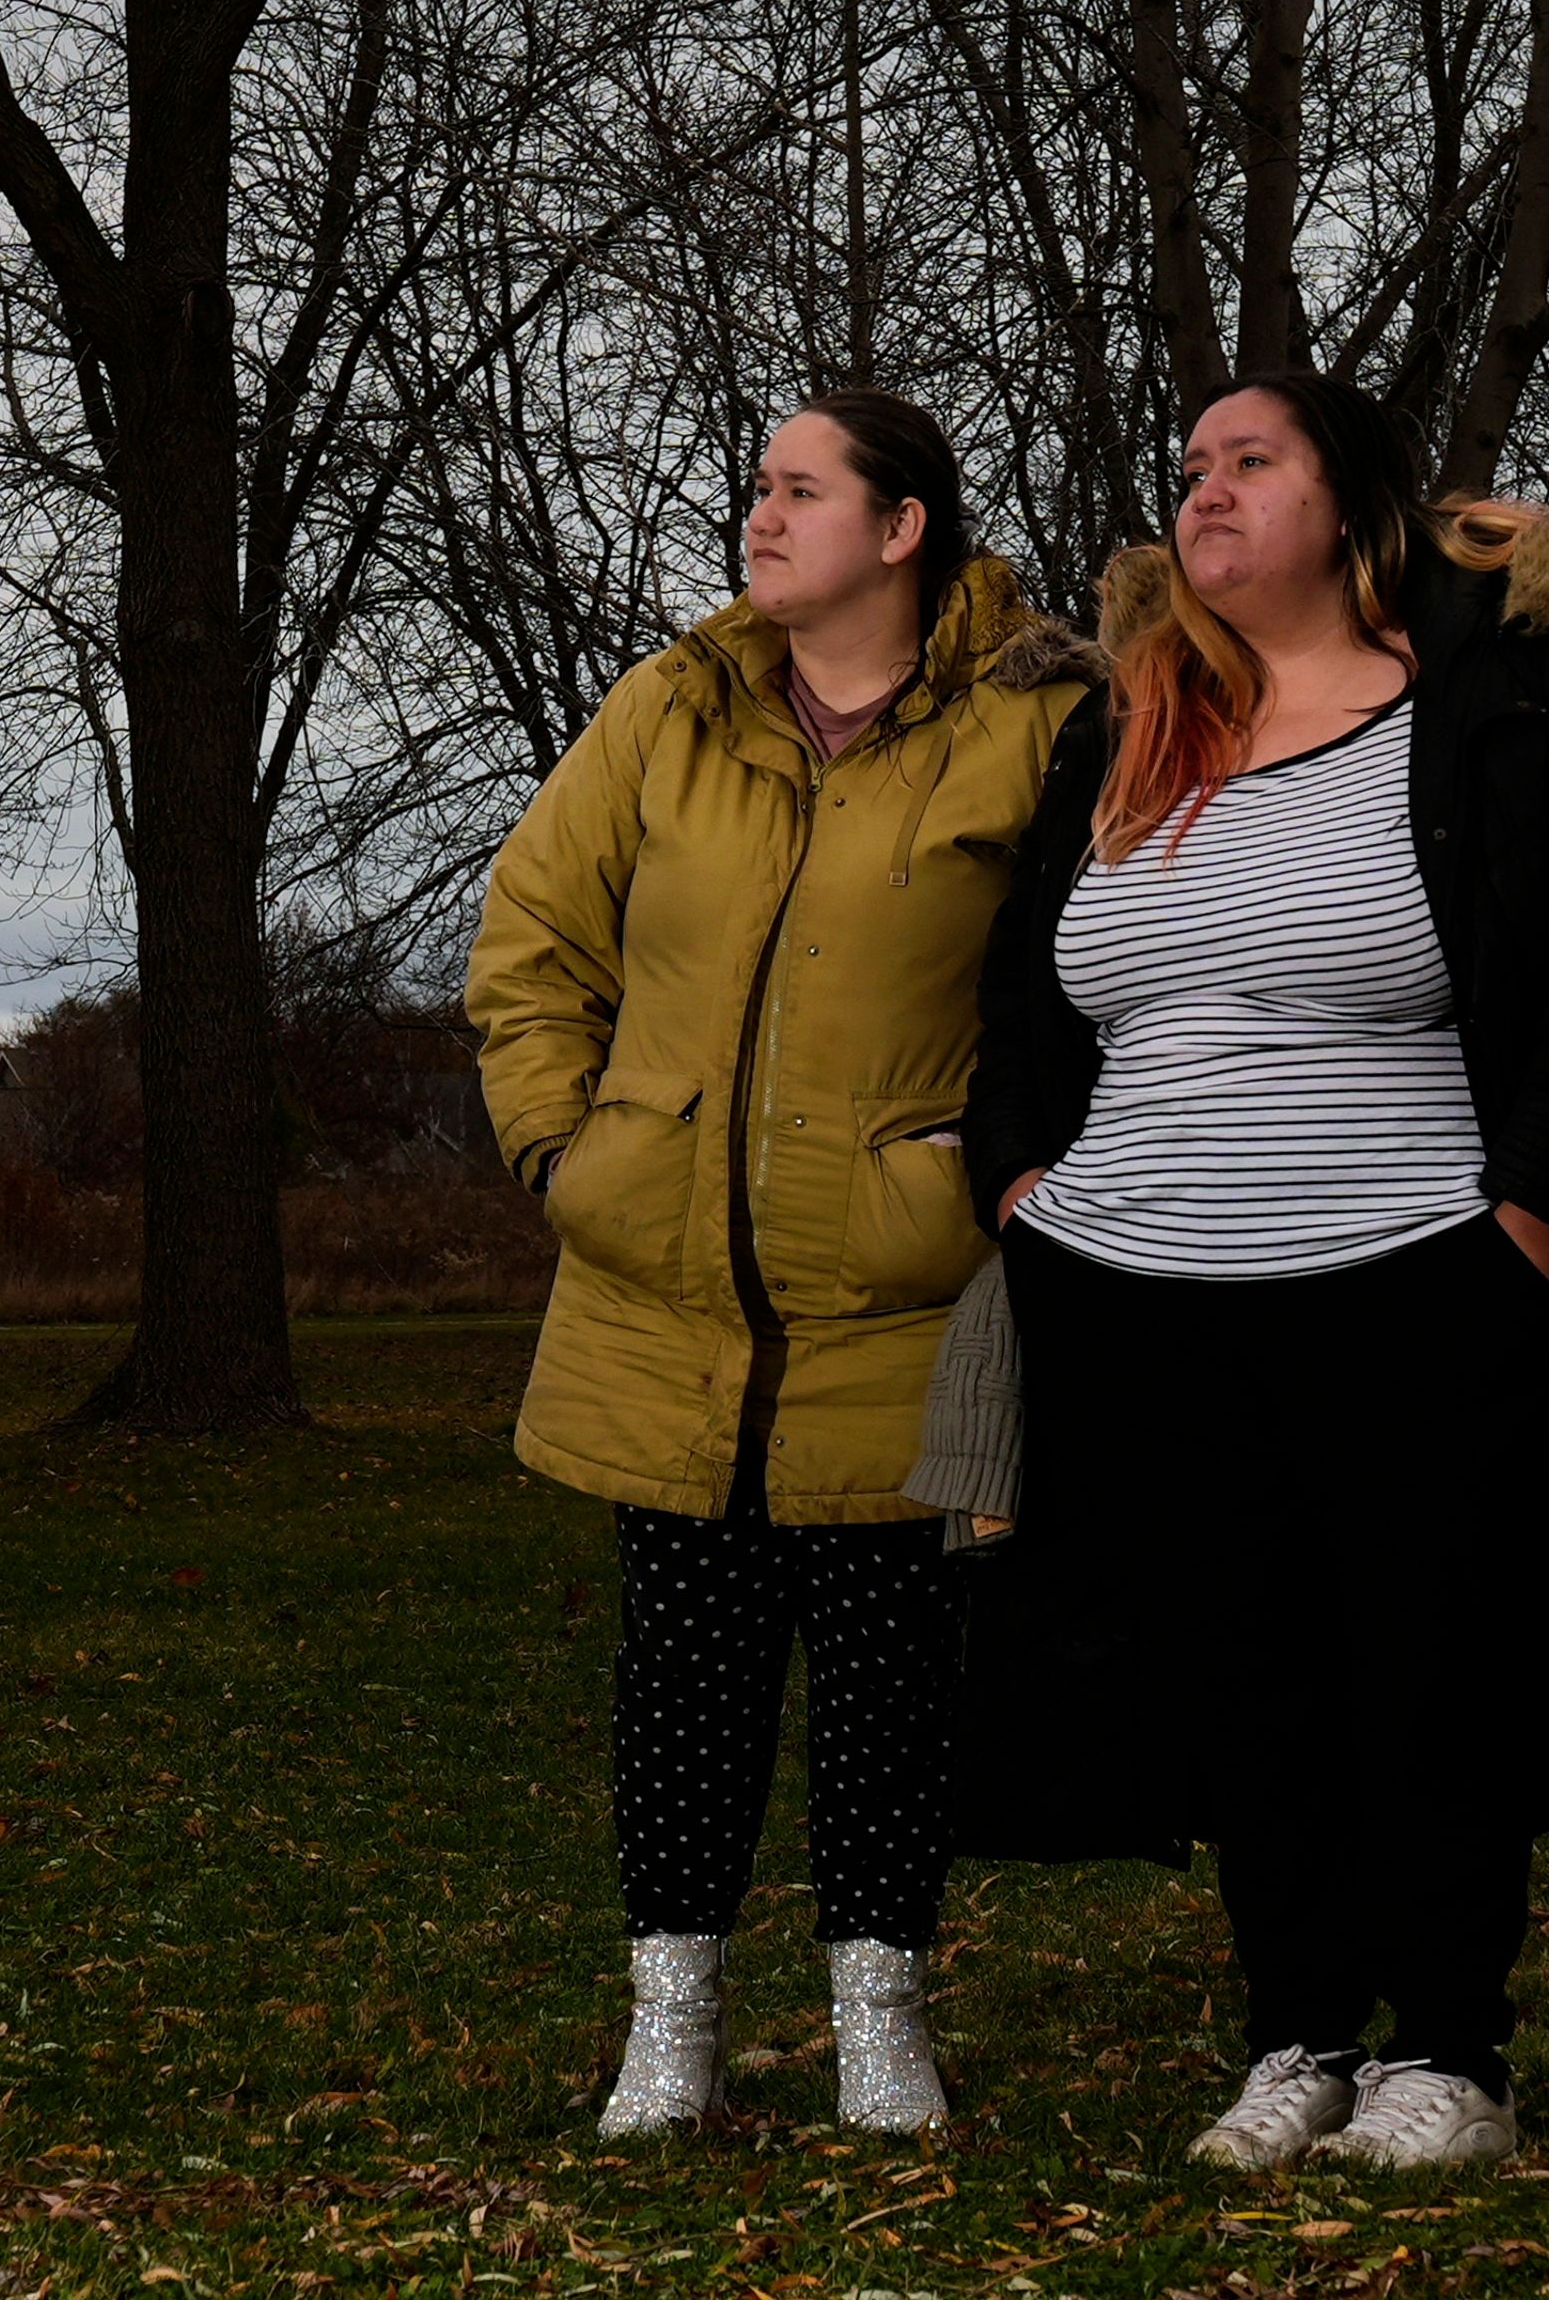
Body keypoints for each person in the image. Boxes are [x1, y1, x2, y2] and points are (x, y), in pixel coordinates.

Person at [955, 370, 1549, 2171]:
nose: (1203, 491)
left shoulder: (1503, 699)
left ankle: (1449, 2057)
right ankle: (1297, 2040)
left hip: (1415, 1267)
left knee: (1425, 1659)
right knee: (1238, 1667)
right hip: (1136, 1287)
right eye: (1190, 467)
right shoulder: (1126, 727)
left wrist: (1532, 1225)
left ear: (1350, 502)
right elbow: (1030, 992)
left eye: (1248, 461)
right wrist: (1026, 1184)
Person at [469, 388, 1095, 2137]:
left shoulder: (1037, 727)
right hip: (661, 1289)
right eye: (758, 486)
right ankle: (670, 2028)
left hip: (899, 1290)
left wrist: (984, 1180)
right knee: (683, 1674)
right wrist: (561, 1149)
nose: (761, 517)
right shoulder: (673, 706)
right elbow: (531, 939)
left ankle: (879, 2025)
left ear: (902, 530)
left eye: (800, 490)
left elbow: (1081, 982)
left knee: (893, 1682)